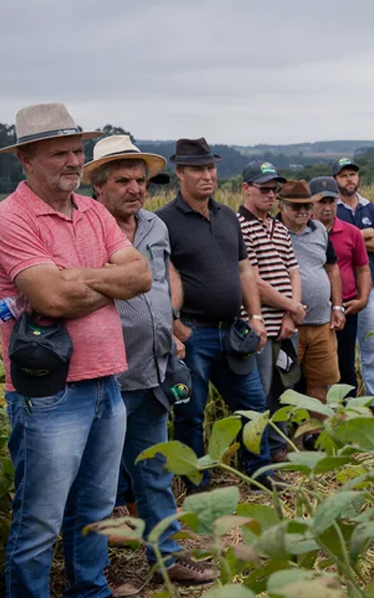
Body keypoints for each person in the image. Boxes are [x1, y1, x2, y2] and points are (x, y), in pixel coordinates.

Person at [0, 103, 151, 598]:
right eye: (59, 152)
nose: (73, 162)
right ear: (27, 160)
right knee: (39, 519)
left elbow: (141, 275)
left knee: (95, 508)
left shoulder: (93, 209)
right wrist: (107, 281)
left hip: (106, 382)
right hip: (49, 393)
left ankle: (90, 590)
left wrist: (76, 276)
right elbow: (50, 297)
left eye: (76, 150)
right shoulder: (9, 218)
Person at [85, 135, 217, 587]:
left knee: (154, 472)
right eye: (122, 180)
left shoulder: (154, 227)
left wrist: (171, 330)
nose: (135, 188)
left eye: (140, 180)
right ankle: (94, 575)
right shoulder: (84, 228)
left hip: (154, 371)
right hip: (105, 377)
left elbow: (160, 284)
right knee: (97, 484)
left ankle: (167, 560)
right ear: (98, 186)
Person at [156, 137, 280, 492]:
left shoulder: (228, 216)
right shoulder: (164, 222)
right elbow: (162, 277)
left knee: (253, 405)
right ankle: (197, 484)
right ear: (179, 172)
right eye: (197, 169)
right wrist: (178, 328)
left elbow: (244, 270)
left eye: (210, 167)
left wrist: (255, 317)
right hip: (194, 333)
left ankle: (260, 475)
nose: (207, 175)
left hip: (233, 331)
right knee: (190, 413)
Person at [309, 177, 374, 416]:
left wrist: (363, 299)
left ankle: (348, 415)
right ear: (311, 203)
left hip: (345, 307)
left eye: (331, 201)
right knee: (313, 368)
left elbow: (362, 268)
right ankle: (315, 418)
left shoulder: (351, 232)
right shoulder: (301, 232)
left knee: (345, 363)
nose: (327, 207)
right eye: (321, 201)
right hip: (312, 312)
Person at [236, 161, 303, 459]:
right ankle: (256, 453)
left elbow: (294, 270)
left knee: (286, 386)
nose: (271, 195)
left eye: (275, 190)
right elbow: (253, 281)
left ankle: (279, 447)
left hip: (287, 328)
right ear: (246, 189)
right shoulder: (239, 227)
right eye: (264, 189)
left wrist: (291, 315)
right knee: (259, 392)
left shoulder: (278, 226)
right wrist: (292, 306)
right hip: (260, 328)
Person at [332, 157, 374, 417]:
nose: (349, 179)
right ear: (336, 180)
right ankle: (344, 407)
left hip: (370, 285)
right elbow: (332, 239)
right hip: (342, 289)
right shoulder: (331, 207)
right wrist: (365, 235)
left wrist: (352, 237)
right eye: (343, 175)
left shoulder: (368, 206)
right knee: (342, 351)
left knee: (370, 347)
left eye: (352, 174)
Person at [278, 180, 345, 408]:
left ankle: (313, 436)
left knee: (320, 384)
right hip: (285, 325)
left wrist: (337, 307)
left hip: (321, 323)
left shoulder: (319, 231)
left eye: (307, 206)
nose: (303, 211)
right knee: (285, 385)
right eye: (296, 207)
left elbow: (332, 268)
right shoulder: (272, 232)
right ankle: (287, 440)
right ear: (282, 207)